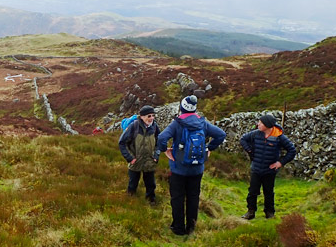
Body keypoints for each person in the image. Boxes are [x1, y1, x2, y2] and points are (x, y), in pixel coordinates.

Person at [157, 95, 226, 235]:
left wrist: (165, 151)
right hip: (197, 169)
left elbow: (162, 138)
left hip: (178, 169)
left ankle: (178, 228)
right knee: (193, 197)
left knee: (177, 197)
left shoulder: (177, 124)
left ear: (181, 108)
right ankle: (191, 227)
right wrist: (209, 148)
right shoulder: (203, 123)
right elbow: (221, 134)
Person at [240, 114, 297, 220]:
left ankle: (270, 213)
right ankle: (250, 212)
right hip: (256, 168)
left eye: (260, 123)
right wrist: (249, 150)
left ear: (267, 125)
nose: (258, 124)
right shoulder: (256, 134)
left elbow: (292, 150)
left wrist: (280, 163)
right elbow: (243, 139)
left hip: (269, 170)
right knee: (252, 191)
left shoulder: (279, 137)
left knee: (269, 192)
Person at [119, 105, 161, 205]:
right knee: (133, 183)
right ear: (141, 116)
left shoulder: (155, 127)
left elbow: (159, 142)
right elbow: (122, 143)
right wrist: (130, 158)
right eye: (149, 116)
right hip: (135, 161)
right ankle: (130, 200)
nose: (151, 118)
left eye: (153, 116)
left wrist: (156, 156)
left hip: (149, 161)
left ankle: (151, 200)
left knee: (151, 184)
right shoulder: (134, 126)